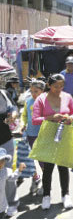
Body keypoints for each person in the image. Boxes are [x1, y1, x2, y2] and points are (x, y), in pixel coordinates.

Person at [32, 74, 73, 210]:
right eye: (56, 86)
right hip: (48, 136)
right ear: (49, 85)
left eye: (61, 86)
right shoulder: (41, 99)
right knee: (48, 168)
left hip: (64, 134)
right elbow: (35, 119)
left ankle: (65, 195)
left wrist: (69, 118)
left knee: (63, 166)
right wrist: (51, 117)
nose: (59, 89)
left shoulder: (68, 97)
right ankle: (46, 196)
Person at [20, 79, 45, 194]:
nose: (33, 94)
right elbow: (24, 115)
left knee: (42, 160)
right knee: (30, 159)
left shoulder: (46, 101)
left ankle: (46, 182)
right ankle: (35, 177)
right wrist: (22, 124)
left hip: (43, 134)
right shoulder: (28, 101)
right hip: (30, 134)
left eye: (36, 91)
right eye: (31, 91)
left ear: (42, 91)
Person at [0, 88, 19, 217]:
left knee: (8, 174)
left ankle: (12, 204)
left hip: (5, 139)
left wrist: (13, 115)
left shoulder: (3, 93)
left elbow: (13, 108)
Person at [0, 148, 26, 219]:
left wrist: (19, 170)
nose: (1, 163)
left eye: (2, 161)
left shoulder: (5, 171)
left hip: (1, 206)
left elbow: (13, 177)